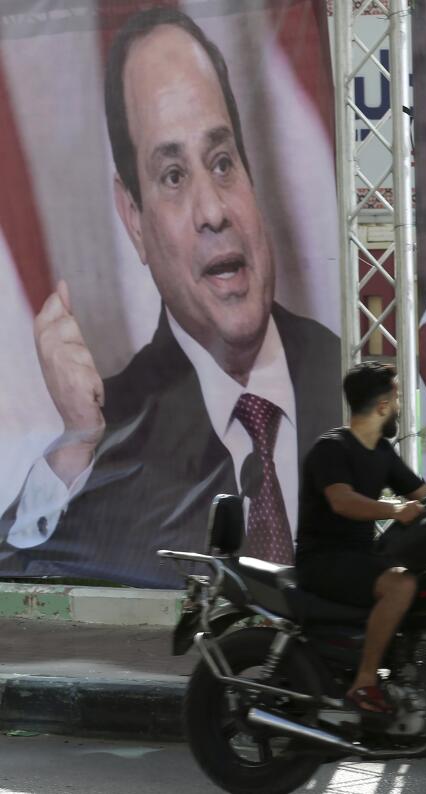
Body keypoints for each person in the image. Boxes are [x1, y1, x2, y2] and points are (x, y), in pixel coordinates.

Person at [0, 8, 340, 587]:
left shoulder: (350, 374)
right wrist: (76, 448)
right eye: (174, 177)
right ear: (133, 219)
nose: (214, 212)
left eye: (223, 162)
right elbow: (16, 595)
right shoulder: (111, 435)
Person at [296, 362, 426, 714]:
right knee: (401, 585)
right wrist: (395, 510)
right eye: (396, 398)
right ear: (382, 406)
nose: (399, 406)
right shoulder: (332, 448)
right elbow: (342, 501)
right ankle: (364, 684)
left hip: (359, 558)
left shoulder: (381, 453)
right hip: (322, 561)